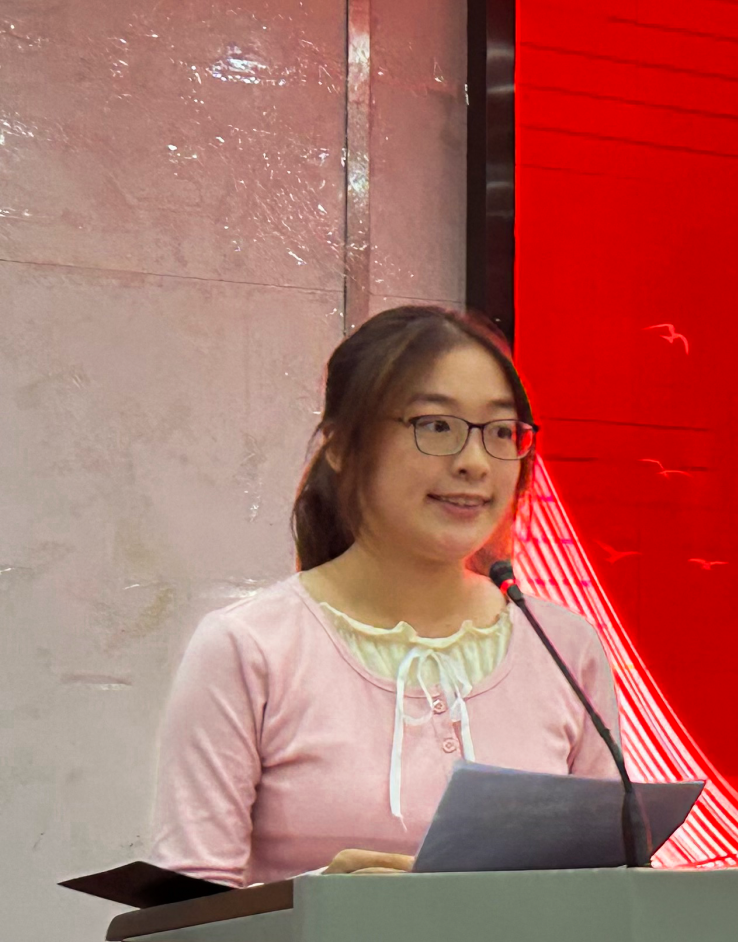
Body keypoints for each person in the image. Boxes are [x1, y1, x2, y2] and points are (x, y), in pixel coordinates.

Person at [151, 306, 619, 885]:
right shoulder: (249, 648)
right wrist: (323, 900)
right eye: (437, 426)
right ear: (343, 446)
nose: (475, 463)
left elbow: (610, 884)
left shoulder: (564, 648)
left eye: (501, 432)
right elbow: (184, 914)